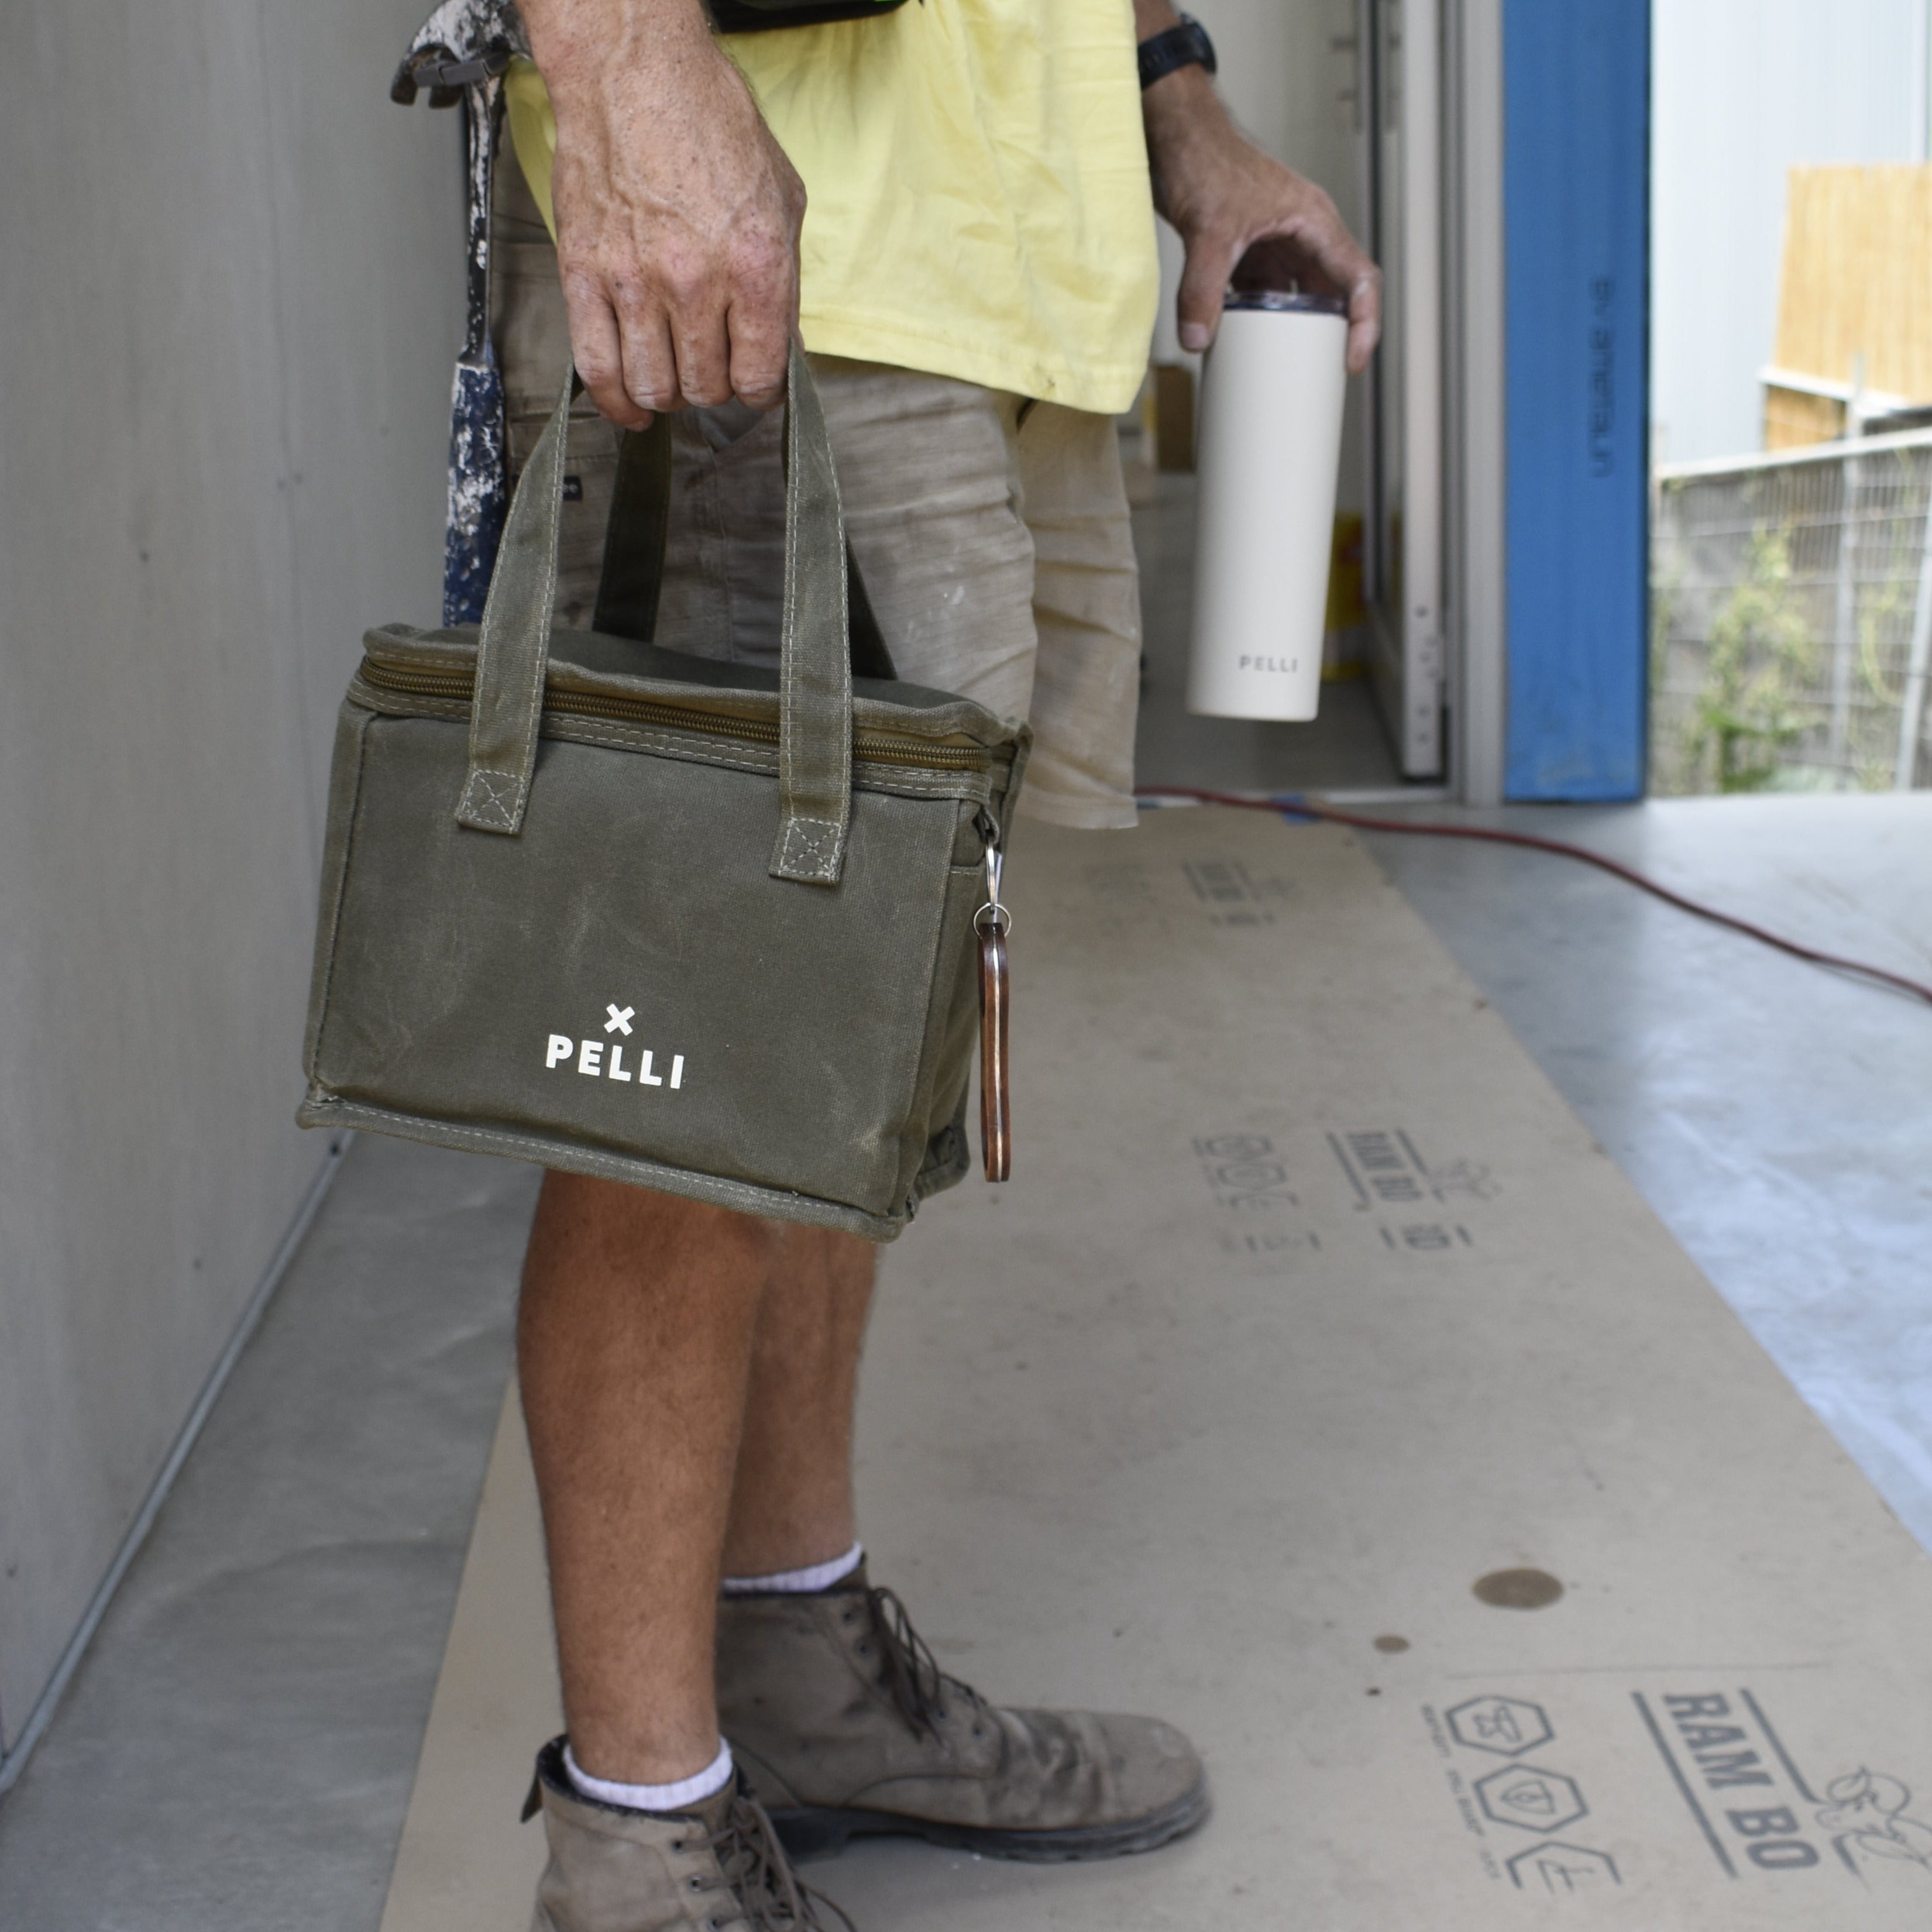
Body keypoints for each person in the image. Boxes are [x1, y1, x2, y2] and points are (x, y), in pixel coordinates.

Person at [500, 1, 1378, 1924]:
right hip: (762, 238)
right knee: (687, 1050)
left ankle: (796, 1672)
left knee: (854, 1031)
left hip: (982, 282)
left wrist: (1179, 110)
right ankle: (637, 1842)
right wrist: (626, 62)